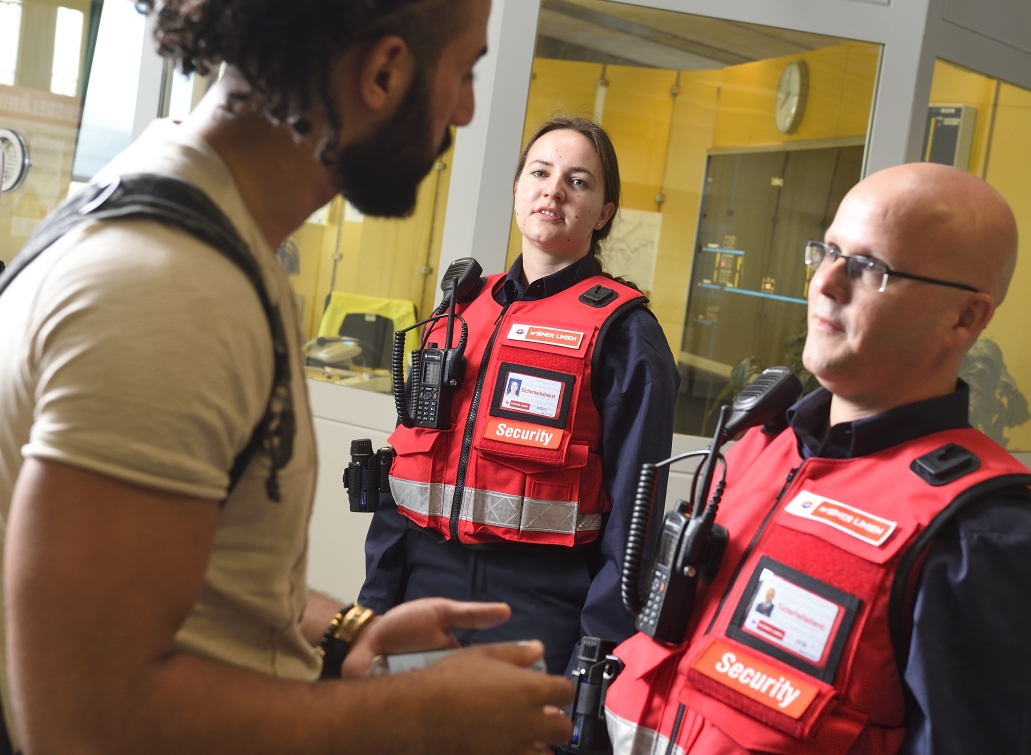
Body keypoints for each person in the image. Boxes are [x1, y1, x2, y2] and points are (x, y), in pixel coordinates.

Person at [0, 1, 577, 753]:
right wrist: (419, 716)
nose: (466, 110)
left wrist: (344, 634)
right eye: (463, 73)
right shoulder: (171, 288)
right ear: (384, 71)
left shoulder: (200, 223)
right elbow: (88, 721)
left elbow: (165, 562)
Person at [603, 162, 1031, 754]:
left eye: (868, 267)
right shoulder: (762, 448)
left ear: (964, 318)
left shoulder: (977, 536)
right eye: (828, 251)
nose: (826, 282)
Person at [359, 116, 681, 675]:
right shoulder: (457, 311)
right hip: (420, 583)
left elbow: (637, 516)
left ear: (604, 214)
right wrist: (375, 601)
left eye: (579, 181)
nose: (553, 190)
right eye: (540, 172)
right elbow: (406, 467)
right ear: (516, 190)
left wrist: (599, 648)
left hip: (543, 607)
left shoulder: (626, 333)